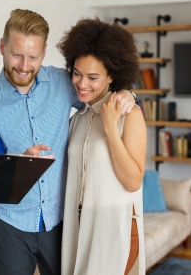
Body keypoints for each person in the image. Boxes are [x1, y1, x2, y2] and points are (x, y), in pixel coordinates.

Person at [0, 9, 136, 275]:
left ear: (44, 53)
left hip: (61, 220)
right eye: (16, 55)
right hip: (12, 223)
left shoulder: (63, 82)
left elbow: (99, 89)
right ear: (2, 47)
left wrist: (128, 92)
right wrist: (19, 162)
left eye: (33, 57)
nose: (24, 66)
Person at [57, 17, 147, 275]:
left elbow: (133, 181)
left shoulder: (130, 115)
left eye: (92, 77)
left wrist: (109, 126)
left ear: (112, 77)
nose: (82, 84)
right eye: (77, 73)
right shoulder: (78, 119)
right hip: (78, 223)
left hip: (114, 224)